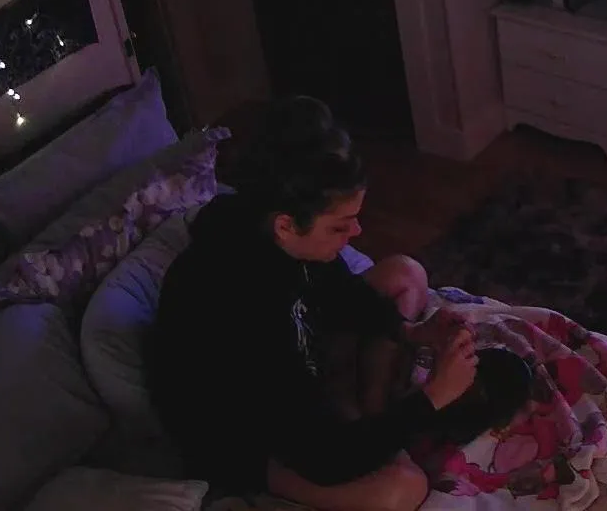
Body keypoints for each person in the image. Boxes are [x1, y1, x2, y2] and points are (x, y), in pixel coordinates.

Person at [146, 96, 480, 511]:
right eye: (340, 226)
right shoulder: (243, 312)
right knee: (403, 488)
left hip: (303, 375)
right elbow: (323, 459)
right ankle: (367, 431)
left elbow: (340, 290)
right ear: (286, 226)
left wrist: (410, 331)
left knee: (404, 274)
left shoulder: (272, 227)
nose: (356, 233)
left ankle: (370, 415)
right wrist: (433, 398)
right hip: (249, 441)